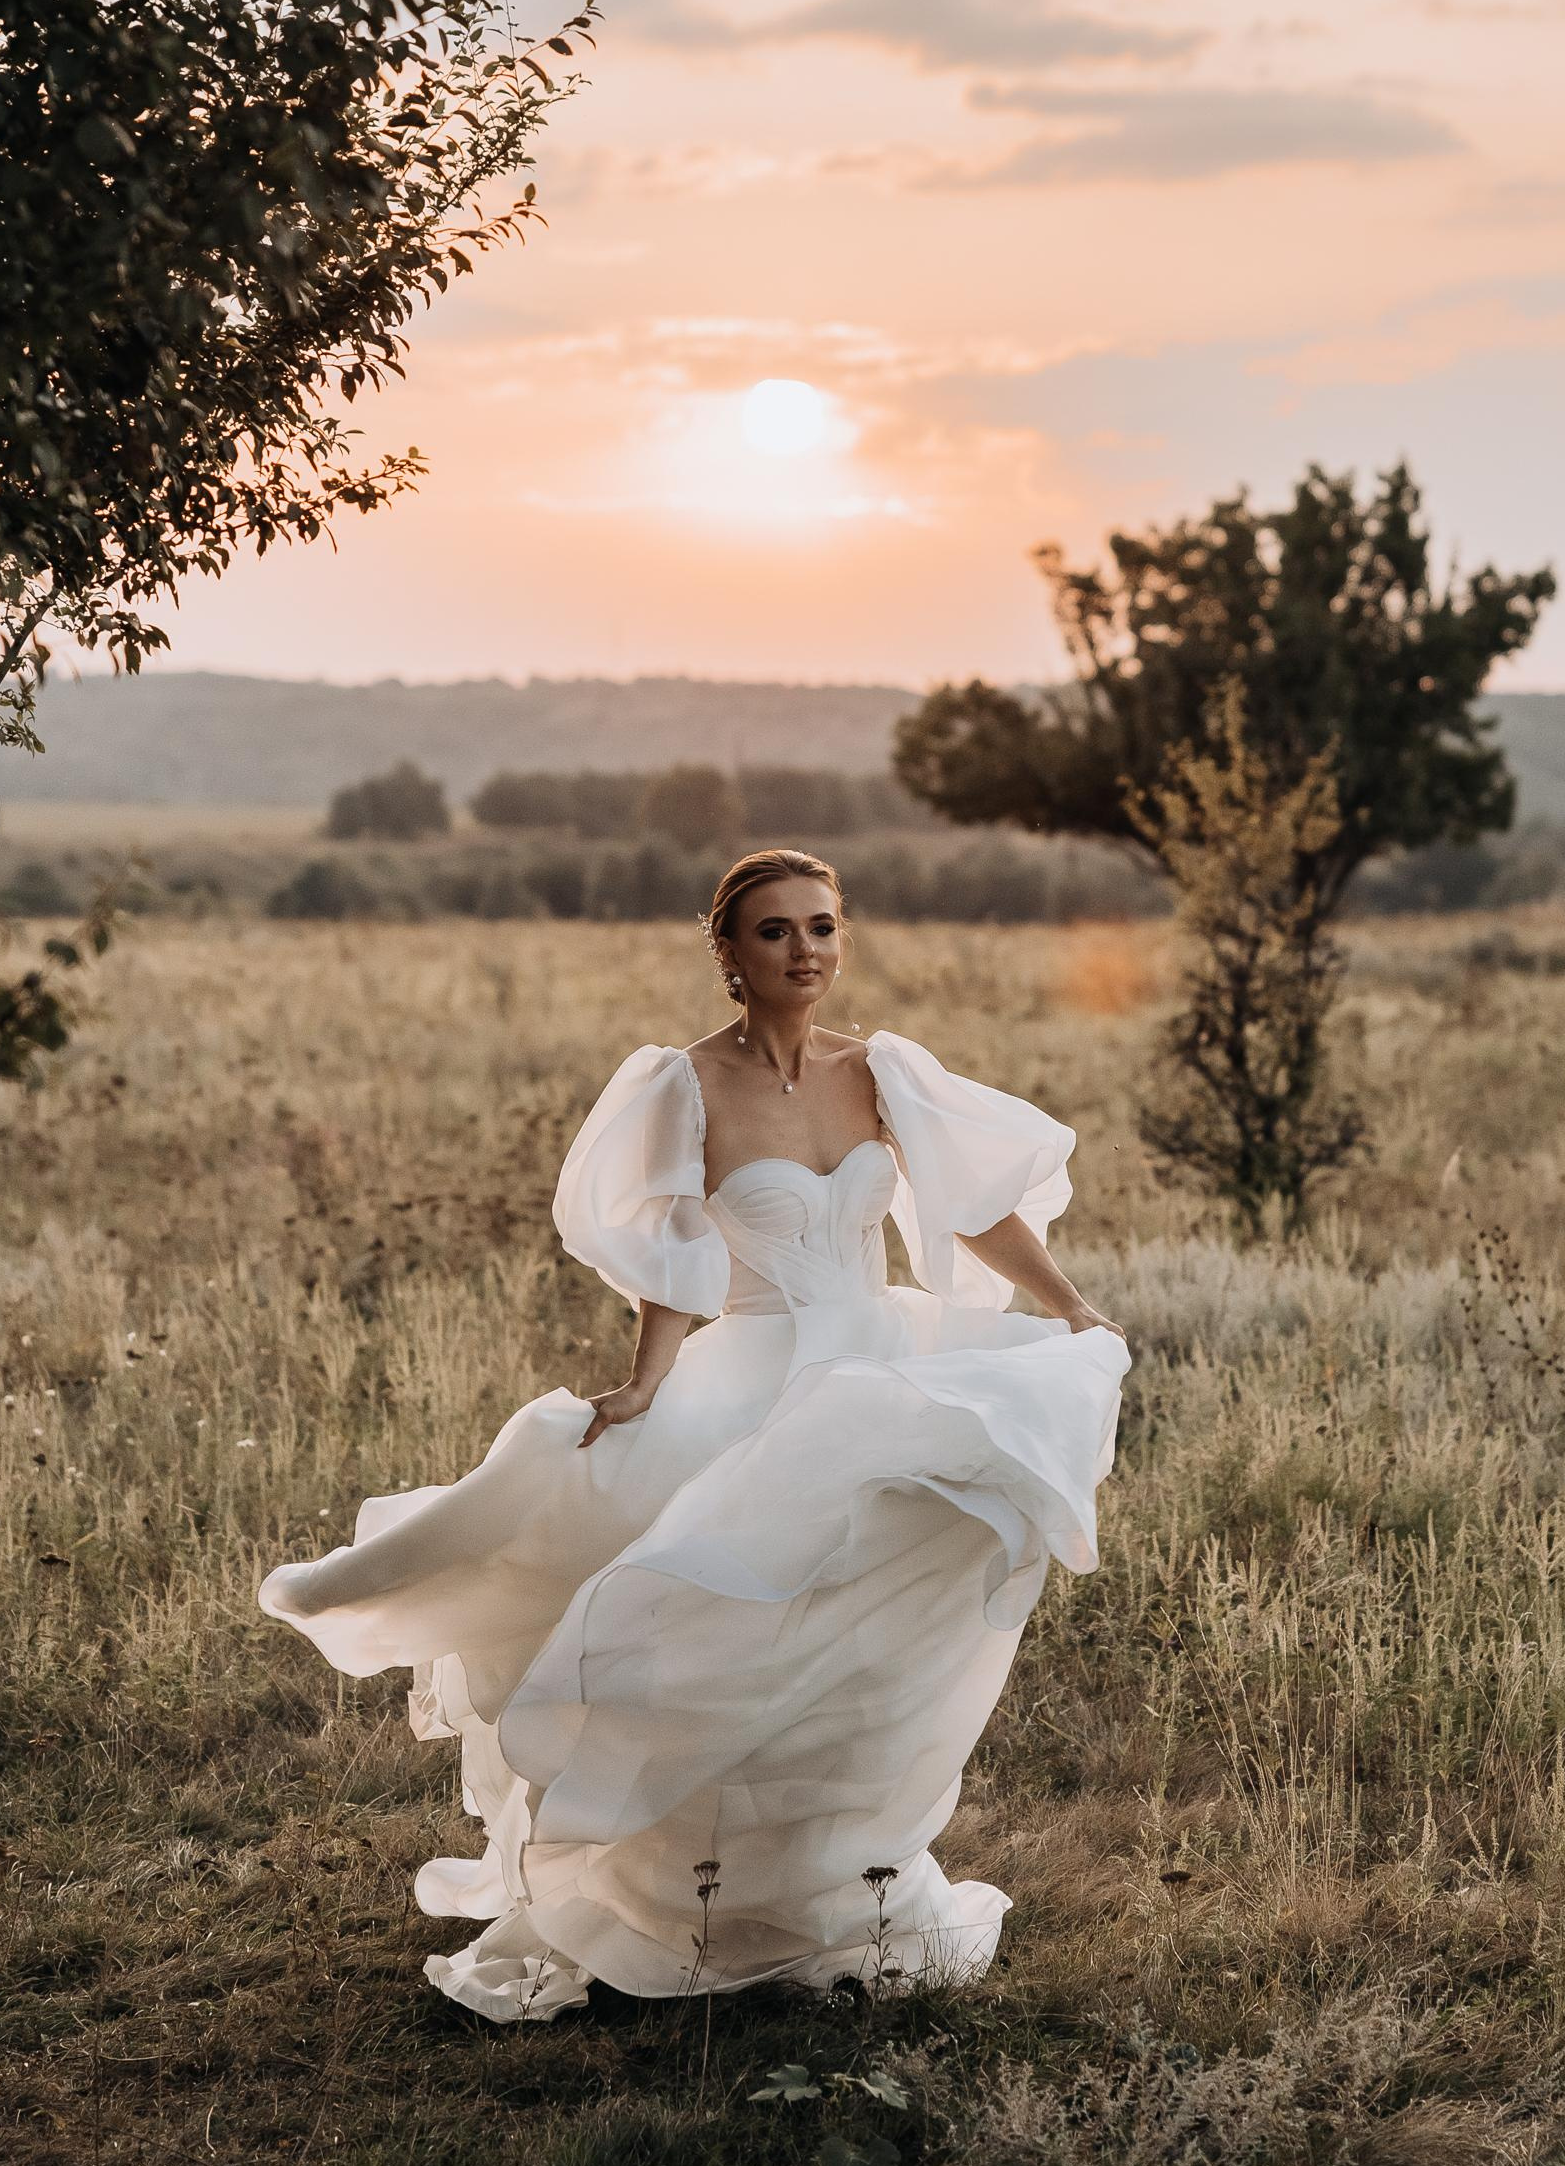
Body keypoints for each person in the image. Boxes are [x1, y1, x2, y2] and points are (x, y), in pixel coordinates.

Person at [259, 848, 1127, 2021]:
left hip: (877, 1365)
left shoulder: (881, 1071)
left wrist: (1070, 1307)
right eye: (774, 931)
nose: (804, 949)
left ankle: (833, 1894)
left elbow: (976, 1209)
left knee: (862, 1641)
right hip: (760, 1370)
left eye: (822, 925)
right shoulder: (681, 1085)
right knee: (725, 1624)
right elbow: (674, 1261)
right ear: (727, 951)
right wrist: (641, 1382)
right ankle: (682, 1904)